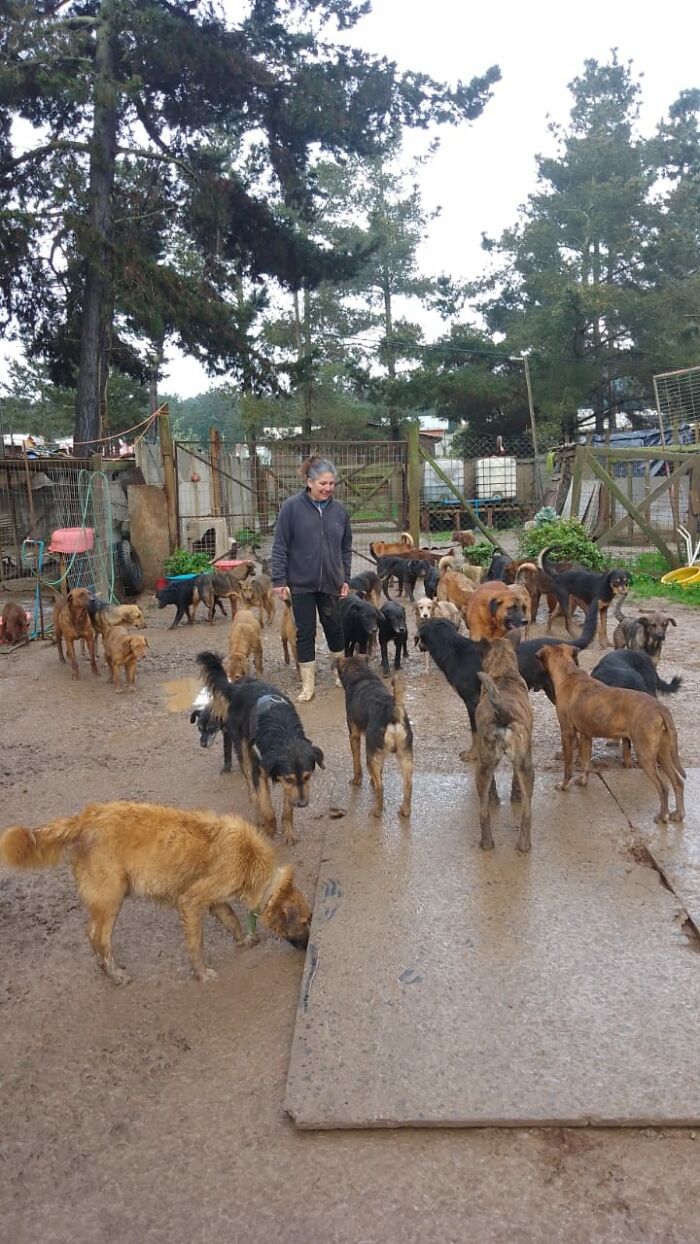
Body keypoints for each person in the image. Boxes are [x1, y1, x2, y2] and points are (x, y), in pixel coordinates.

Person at [271, 455, 352, 702]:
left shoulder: (339, 510)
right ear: (309, 482)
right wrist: (279, 580)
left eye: (331, 484)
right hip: (301, 583)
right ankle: (308, 684)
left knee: (334, 628)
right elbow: (280, 546)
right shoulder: (292, 508)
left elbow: (346, 547)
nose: (328, 488)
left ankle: (341, 674)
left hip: (331, 581)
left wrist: (345, 577)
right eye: (322, 483)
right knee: (305, 632)